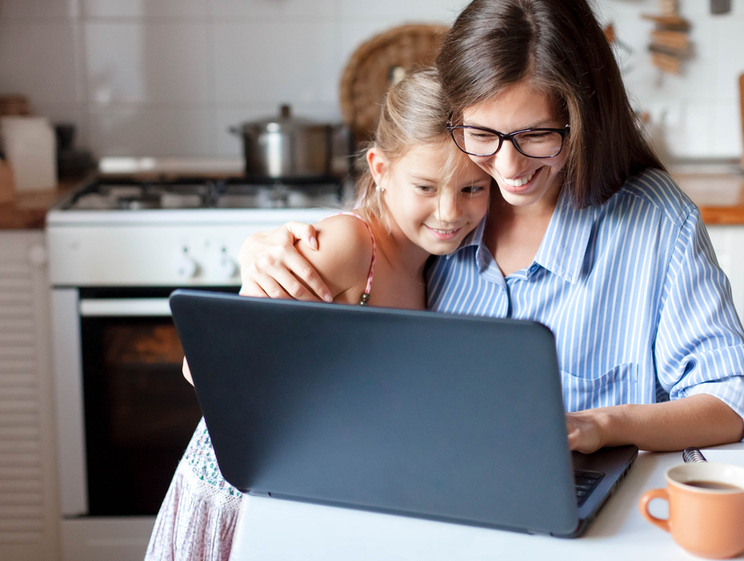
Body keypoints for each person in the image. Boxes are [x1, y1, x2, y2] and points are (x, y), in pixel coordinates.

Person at [236, 0, 744, 455]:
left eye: (536, 136)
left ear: (583, 118)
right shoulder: (455, 200)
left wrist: (605, 424)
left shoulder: (656, 222)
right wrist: (261, 254)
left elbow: (742, 398)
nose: (508, 167)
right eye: (483, 134)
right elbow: (363, 245)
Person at [144, 67, 492, 561]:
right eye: (426, 187)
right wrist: (249, 287)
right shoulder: (350, 246)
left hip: (317, 489)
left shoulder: (435, 266)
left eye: (472, 189)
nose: (449, 212)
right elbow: (202, 367)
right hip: (243, 490)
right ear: (380, 168)